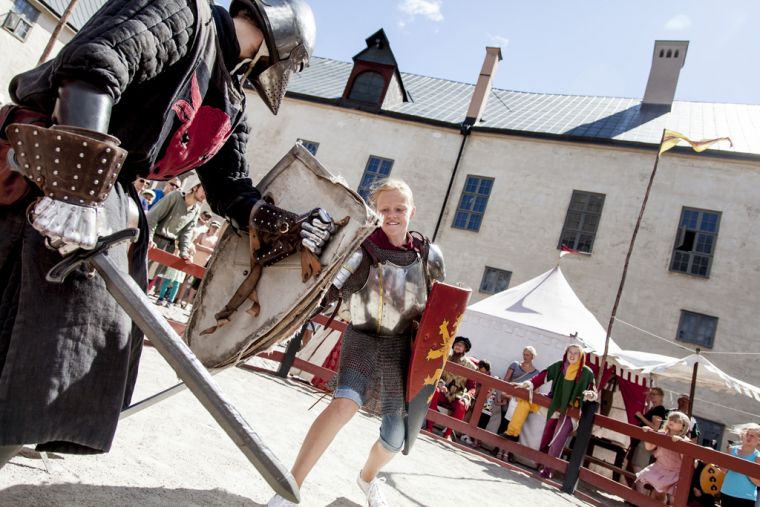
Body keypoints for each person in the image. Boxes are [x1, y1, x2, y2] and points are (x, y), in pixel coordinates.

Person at [0, 0, 336, 468]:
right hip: (47, 172)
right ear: (278, 36)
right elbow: (94, 66)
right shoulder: (179, 12)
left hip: (104, 205)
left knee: (85, 343)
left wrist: (286, 224)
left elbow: (230, 189)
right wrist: (74, 192)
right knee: (39, 333)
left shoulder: (231, 97)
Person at [267, 179, 445, 507]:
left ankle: (367, 478)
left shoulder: (428, 256)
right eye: (385, 209)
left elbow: (440, 311)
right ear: (376, 211)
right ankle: (290, 486)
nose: (392, 215)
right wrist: (291, 318)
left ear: (412, 212)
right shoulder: (362, 250)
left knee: (395, 438)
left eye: (400, 209)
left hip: (401, 350)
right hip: (362, 338)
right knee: (343, 405)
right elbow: (326, 292)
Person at [516, 343, 597, 479]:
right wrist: (530, 383)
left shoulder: (586, 372)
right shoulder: (560, 366)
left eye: (576, 353)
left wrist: (590, 395)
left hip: (571, 411)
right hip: (555, 406)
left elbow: (593, 391)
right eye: (570, 352)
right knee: (547, 434)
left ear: (581, 356)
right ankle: (541, 463)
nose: (572, 355)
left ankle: (548, 469)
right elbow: (544, 375)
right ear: (566, 353)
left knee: (558, 438)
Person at [425, 336, 478, 442]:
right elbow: (436, 374)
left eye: (461, 345)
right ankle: (429, 427)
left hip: (457, 395)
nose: (458, 346)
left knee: (461, 405)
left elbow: (472, 387)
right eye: (456, 344)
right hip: (443, 392)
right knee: (435, 392)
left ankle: (447, 434)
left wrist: (467, 396)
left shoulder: (471, 366)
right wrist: (440, 384)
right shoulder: (444, 357)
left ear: (465, 349)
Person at [635, 410, 692, 503]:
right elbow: (649, 447)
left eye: (676, 421)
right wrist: (647, 434)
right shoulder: (662, 434)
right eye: (670, 419)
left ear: (683, 427)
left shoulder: (686, 441)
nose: (672, 421)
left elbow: (685, 460)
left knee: (672, 499)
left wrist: (680, 443)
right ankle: (644, 502)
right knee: (654, 491)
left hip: (674, 473)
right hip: (659, 467)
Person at [626, 387, 668, 482]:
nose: (652, 396)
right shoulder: (654, 408)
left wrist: (641, 417)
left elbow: (655, 428)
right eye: (651, 394)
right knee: (635, 465)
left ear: (661, 396)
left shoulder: (659, 409)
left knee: (638, 466)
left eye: (655, 394)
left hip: (647, 441)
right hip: (643, 440)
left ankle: (641, 489)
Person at [720, 423, 760, 507]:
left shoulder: (758, 457)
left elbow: (759, 483)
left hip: (745, 497)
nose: (748, 437)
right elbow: (723, 470)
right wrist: (728, 464)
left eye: (752, 436)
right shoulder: (731, 450)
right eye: (747, 434)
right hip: (726, 492)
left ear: (758, 439)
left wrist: (744, 469)